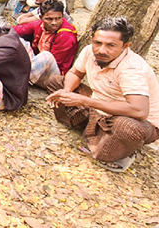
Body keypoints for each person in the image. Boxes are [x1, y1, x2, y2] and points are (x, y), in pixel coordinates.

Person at [46, 17, 159, 172]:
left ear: (126, 46)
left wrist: (84, 101)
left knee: (127, 129)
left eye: (111, 45)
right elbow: (75, 73)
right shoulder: (89, 51)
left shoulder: (132, 69)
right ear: (92, 39)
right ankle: (97, 131)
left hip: (134, 120)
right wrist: (66, 92)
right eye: (97, 43)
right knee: (56, 83)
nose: (101, 50)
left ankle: (119, 148)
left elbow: (139, 111)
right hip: (100, 104)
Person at [14, 0, 77, 87]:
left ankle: (18, 78)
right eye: (49, 19)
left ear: (62, 16)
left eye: (58, 18)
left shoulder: (66, 34)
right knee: (20, 41)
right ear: (41, 17)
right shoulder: (40, 25)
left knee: (46, 56)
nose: (54, 23)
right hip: (38, 65)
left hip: (54, 75)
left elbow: (56, 61)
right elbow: (16, 30)